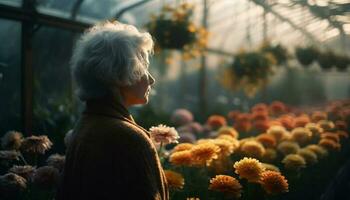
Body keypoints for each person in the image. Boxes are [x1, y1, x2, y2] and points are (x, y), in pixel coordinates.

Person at [55, 21, 169, 200]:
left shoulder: (86, 125)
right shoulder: (128, 138)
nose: (152, 80)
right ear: (120, 73)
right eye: (143, 69)